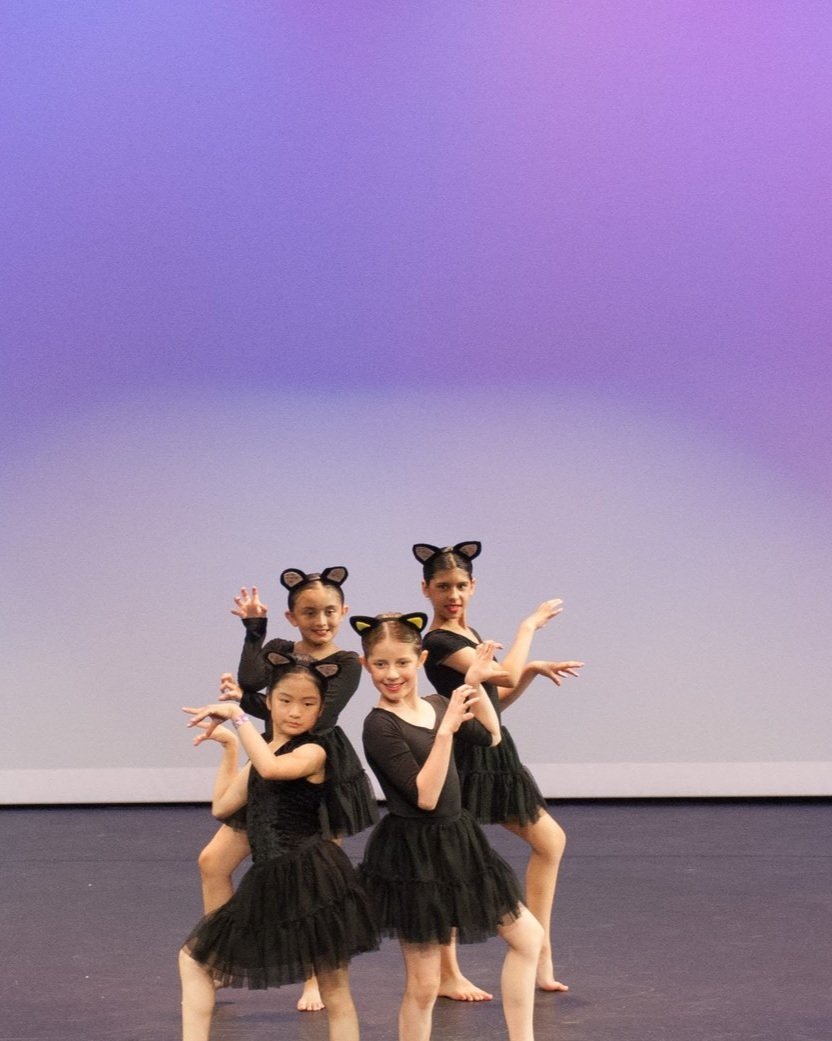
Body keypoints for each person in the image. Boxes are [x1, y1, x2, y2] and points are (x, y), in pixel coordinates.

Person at [352, 612, 544, 1041]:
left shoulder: (440, 705)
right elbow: (425, 795)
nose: (392, 674)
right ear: (367, 667)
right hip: (414, 855)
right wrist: (445, 734)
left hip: (459, 841)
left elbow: (491, 737)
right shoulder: (378, 725)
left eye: (401, 662)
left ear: (420, 660)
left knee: (528, 938)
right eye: (380, 664)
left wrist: (475, 686)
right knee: (423, 986)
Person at [198, 566, 377, 1012]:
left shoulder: (349, 663)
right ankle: (221, 958)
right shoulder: (279, 648)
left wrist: (247, 705)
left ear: (344, 612)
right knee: (212, 862)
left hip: (316, 762)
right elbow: (252, 682)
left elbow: (317, 714)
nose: (321, 621)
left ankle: (316, 977)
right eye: (309, 612)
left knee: (315, 884)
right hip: (270, 752)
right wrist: (254, 631)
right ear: (291, 616)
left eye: (330, 612)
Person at [413, 541, 583, 997]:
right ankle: (448, 972)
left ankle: (541, 953)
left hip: (495, 754)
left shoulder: (470, 635)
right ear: (425, 589)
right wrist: (529, 628)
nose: (454, 594)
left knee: (551, 840)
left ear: (473, 586)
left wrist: (530, 673)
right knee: (447, 860)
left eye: (462, 585)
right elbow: (502, 675)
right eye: (444, 586)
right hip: (463, 756)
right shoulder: (439, 641)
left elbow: (497, 699)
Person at [180, 654, 378, 1041]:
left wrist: (237, 715)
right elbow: (222, 806)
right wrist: (230, 749)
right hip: (272, 877)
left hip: (313, 877)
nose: (295, 712)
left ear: (321, 710)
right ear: (269, 702)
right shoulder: (262, 752)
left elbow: (272, 768)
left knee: (335, 990)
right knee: (194, 961)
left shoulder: (314, 752)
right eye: (285, 700)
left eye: (308, 704)